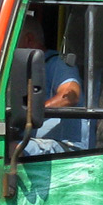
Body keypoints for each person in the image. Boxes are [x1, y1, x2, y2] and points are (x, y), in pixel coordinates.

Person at [16, 18, 86, 156]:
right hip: (36, 141)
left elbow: (71, 95)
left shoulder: (56, 63)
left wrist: (34, 112)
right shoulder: (25, 68)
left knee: (11, 149)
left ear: (28, 39)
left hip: (65, 145)